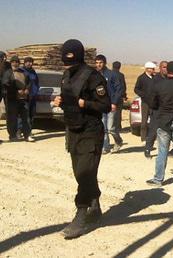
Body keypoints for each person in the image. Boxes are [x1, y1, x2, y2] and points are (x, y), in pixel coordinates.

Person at [52, 39, 111, 239]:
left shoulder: (93, 77)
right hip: (73, 129)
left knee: (85, 172)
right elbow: (68, 99)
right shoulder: (66, 75)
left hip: (90, 131)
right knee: (81, 173)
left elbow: (105, 105)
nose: (67, 66)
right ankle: (95, 205)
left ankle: (81, 214)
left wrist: (84, 102)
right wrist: (60, 101)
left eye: (70, 62)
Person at [95, 54, 124, 154]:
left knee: (111, 128)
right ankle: (105, 147)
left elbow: (119, 89)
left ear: (105, 63)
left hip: (111, 105)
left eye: (100, 63)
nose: (98, 65)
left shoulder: (112, 74)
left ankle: (118, 141)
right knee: (103, 128)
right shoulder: (95, 75)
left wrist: (114, 102)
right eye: (97, 63)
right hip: (101, 105)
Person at [3, 56, 33, 142]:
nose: (15, 63)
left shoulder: (23, 72)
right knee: (12, 118)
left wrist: (27, 89)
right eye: (13, 62)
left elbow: (29, 82)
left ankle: (27, 135)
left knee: (26, 118)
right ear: (11, 63)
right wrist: (16, 91)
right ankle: (12, 136)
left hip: (23, 99)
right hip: (12, 99)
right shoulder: (8, 73)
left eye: (17, 62)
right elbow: (6, 84)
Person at [134, 61, 156, 157]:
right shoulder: (141, 78)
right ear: (147, 69)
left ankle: (151, 138)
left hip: (153, 102)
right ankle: (143, 138)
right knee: (144, 121)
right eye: (151, 69)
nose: (153, 70)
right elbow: (136, 89)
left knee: (153, 121)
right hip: (145, 102)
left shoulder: (154, 78)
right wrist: (143, 95)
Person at [20, 57, 39, 127]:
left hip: (33, 96)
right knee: (23, 114)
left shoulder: (33, 72)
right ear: (24, 63)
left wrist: (35, 92)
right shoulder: (21, 71)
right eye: (27, 62)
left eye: (31, 62)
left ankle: (29, 131)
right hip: (24, 97)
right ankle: (19, 131)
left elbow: (37, 83)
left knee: (31, 114)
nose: (29, 63)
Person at [0, 51, 12, 144]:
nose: (4, 59)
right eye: (2, 57)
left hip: (6, 90)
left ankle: (11, 132)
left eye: (4, 57)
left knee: (9, 111)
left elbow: (10, 75)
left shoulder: (8, 65)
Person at [112, 61, 126, 131]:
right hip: (119, 96)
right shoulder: (121, 75)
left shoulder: (109, 74)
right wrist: (124, 95)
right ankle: (118, 127)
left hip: (111, 97)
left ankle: (111, 127)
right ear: (119, 67)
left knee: (110, 113)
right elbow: (123, 86)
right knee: (118, 113)